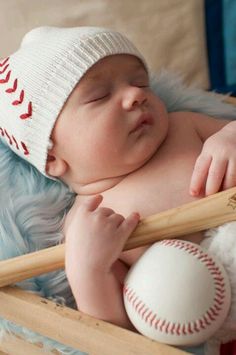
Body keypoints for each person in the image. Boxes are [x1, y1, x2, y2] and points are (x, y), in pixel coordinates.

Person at [0, 26, 236, 330]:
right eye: (100, 96)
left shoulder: (185, 127)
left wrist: (229, 136)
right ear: (51, 157)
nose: (136, 94)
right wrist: (89, 272)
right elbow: (117, 332)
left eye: (140, 82)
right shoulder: (90, 222)